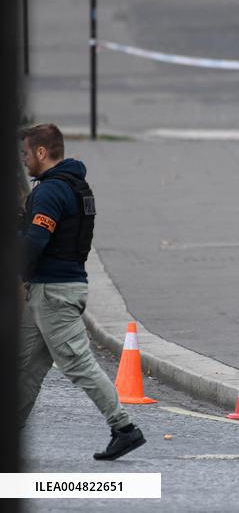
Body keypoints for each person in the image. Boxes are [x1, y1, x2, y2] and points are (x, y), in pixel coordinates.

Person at [18, 124, 146, 460]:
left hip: (54, 293)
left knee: (78, 363)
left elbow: (35, 241)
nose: (24, 160)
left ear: (42, 153)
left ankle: (124, 428)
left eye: (26, 153)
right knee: (25, 365)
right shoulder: (74, 186)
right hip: (53, 289)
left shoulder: (50, 192)